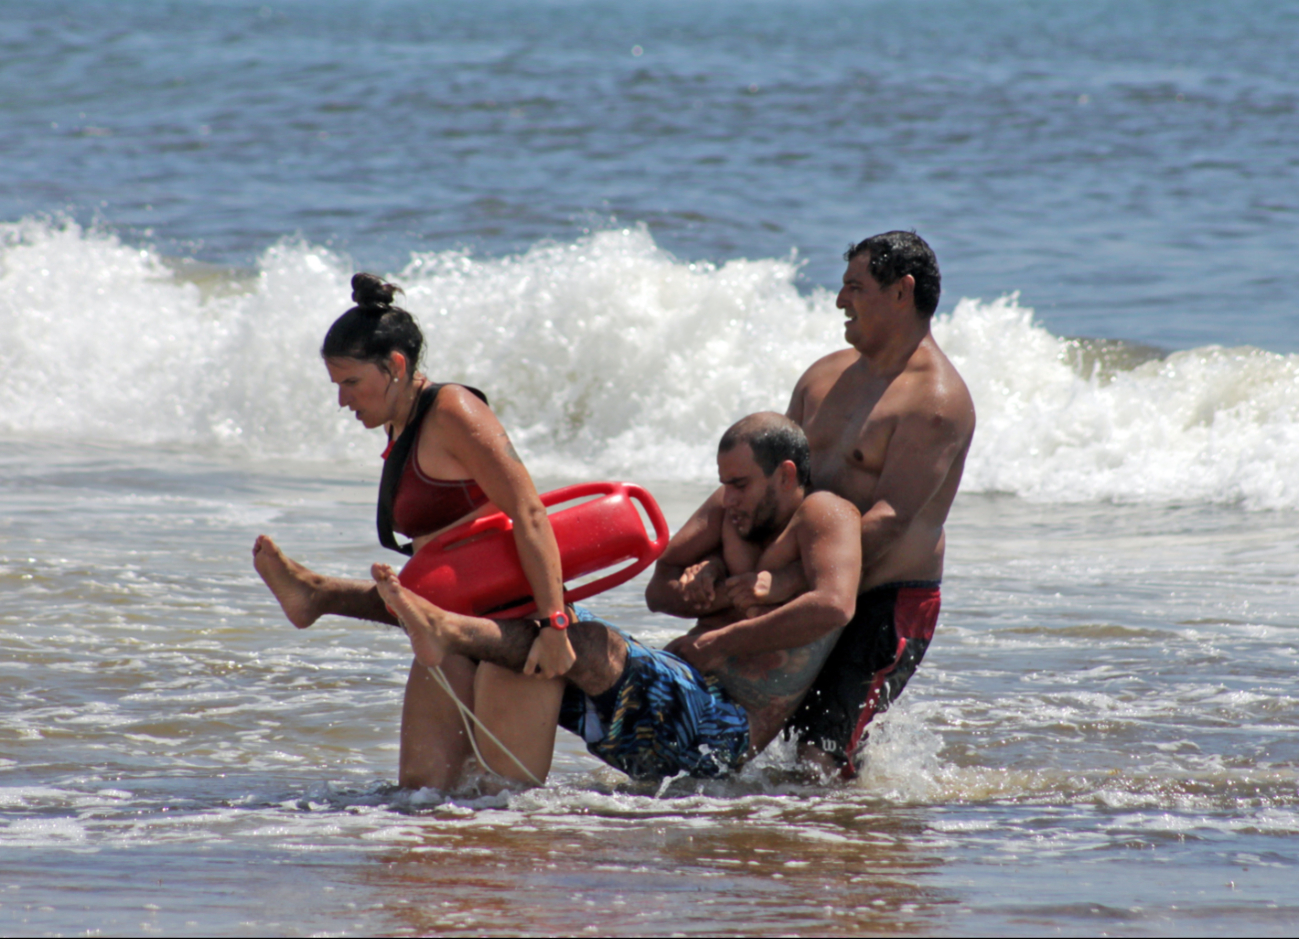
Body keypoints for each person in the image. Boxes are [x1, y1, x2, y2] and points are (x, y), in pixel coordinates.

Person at [370, 413, 862, 781]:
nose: (728, 497)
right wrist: (702, 592)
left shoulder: (826, 514)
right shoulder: (730, 513)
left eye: (739, 484)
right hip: (671, 697)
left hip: (726, 730)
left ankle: (442, 626)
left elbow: (833, 605)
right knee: (532, 618)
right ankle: (446, 802)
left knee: (582, 640)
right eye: (723, 484)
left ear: (787, 475)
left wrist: (720, 641)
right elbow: (659, 588)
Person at [253, 273, 573, 790]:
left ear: (396, 366)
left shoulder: (454, 412)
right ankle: (316, 593)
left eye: (351, 383)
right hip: (446, 626)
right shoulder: (400, 423)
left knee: (507, 810)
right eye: (337, 385)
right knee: (420, 801)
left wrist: (555, 626)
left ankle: (317, 593)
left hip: (517, 629)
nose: (341, 401)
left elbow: (530, 512)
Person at [780, 230, 976, 776]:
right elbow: (775, 482)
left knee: (817, 756)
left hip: (887, 603)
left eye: (853, 287)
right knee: (773, 737)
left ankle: (842, 852)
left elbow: (888, 521)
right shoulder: (822, 377)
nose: (840, 301)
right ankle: (845, 836)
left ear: (900, 292)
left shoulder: (936, 401)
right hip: (809, 581)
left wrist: (781, 576)